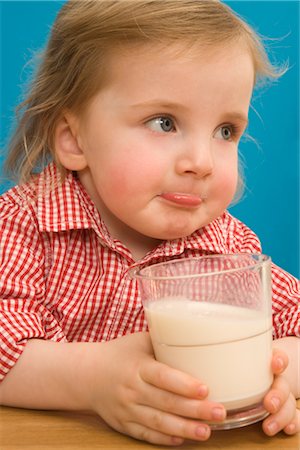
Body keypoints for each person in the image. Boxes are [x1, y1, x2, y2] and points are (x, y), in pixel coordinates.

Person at [0, 0, 299, 446]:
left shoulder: (227, 248)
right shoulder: (24, 227)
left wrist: (281, 370)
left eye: (225, 131)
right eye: (164, 122)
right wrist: (94, 379)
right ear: (73, 139)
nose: (201, 162)